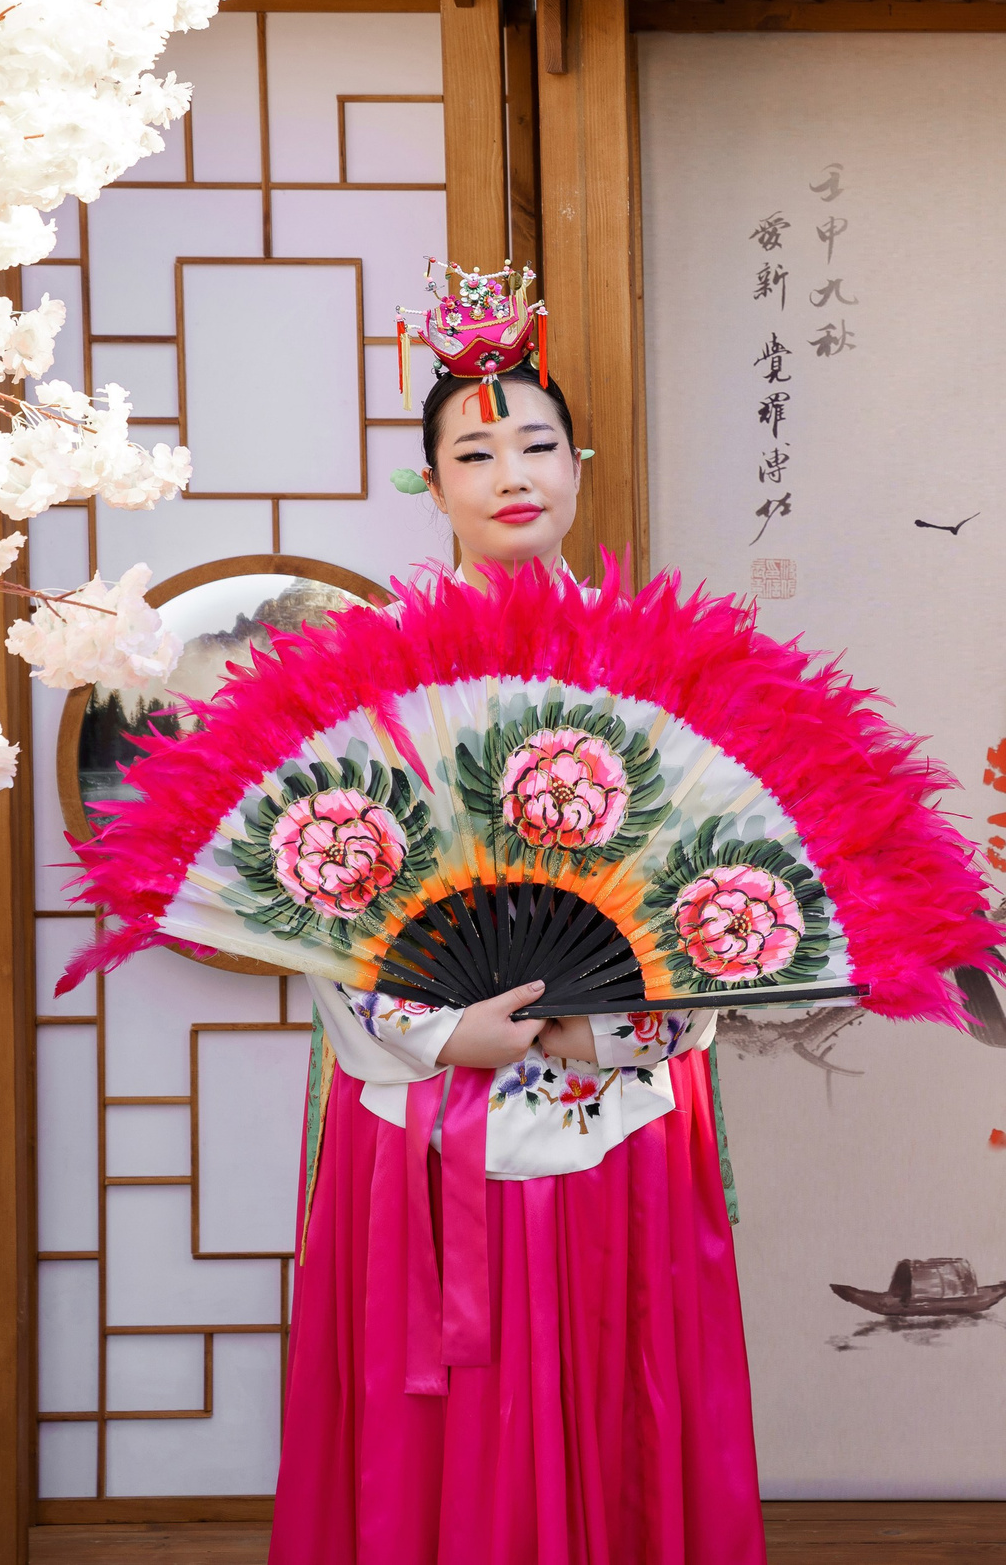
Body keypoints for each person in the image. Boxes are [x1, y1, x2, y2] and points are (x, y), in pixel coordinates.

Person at [270, 267, 765, 1564]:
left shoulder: (659, 661)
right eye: (473, 449)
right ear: (429, 486)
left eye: (538, 443)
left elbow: (721, 889)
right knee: (442, 1417)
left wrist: (604, 1037)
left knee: (624, 1373)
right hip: (430, 1086)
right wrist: (441, 1037)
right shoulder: (366, 665)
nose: (511, 471)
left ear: (579, 467)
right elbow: (322, 896)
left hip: (608, 1078)